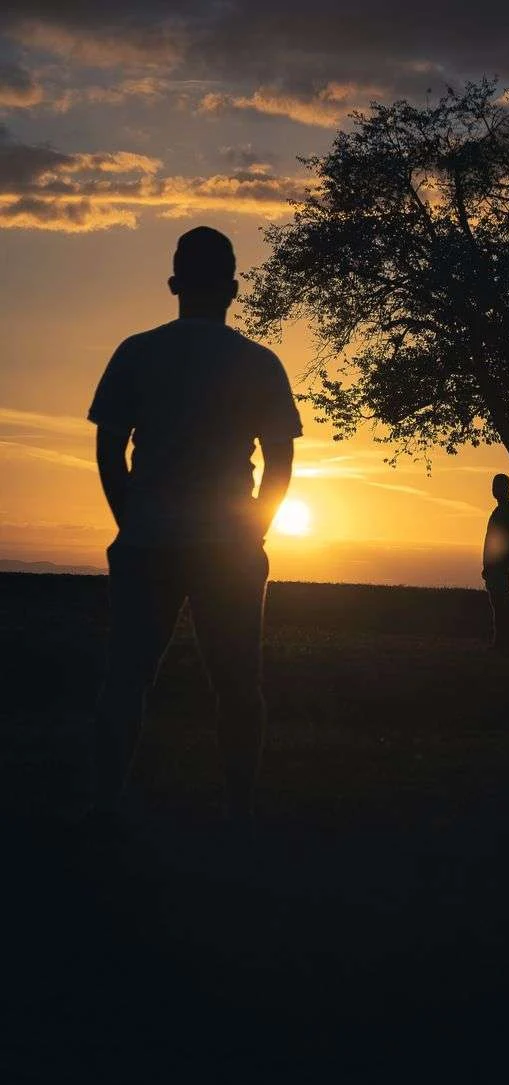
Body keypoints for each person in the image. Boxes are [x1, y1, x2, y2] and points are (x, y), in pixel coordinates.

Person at [87, 226, 302, 829]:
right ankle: (239, 812)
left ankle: (106, 806)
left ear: (175, 284)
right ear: (233, 288)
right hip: (229, 547)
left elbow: (109, 449)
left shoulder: (136, 351)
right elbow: (281, 460)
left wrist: (129, 518)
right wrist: (256, 527)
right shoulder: (258, 362)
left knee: (126, 678)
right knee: (238, 683)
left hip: (149, 537)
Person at [482, 473, 509, 652]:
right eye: (494, 486)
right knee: (497, 603)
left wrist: (504, 558)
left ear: (507, 488)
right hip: (495, 566)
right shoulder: (501, 510)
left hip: (501, 566)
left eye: (498, 486)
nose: (495, 490)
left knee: (502, 605)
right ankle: (500, 642)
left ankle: (503, 643)